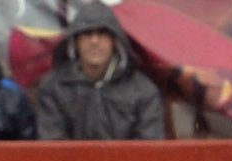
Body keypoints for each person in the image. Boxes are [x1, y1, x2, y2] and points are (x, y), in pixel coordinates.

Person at [35, 0, 166, 141]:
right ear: (75, 41)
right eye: (87, 34)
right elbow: (52, 145)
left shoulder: (144, 91)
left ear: (115, 41)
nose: (94, 41)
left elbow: (149, 148)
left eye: (102, 33)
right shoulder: (52, 88)